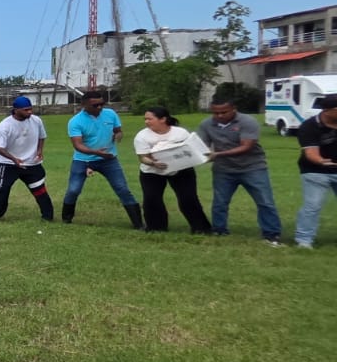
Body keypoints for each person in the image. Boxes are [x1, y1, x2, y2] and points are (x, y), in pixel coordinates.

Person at [196, 96, 283, 247]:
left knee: (265, 201)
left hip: (253, 167)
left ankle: (271, 234)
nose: (220, 116)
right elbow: (201, 145)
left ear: (234, 110)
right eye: (216, 113)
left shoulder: (247, 122)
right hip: (223, 170)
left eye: (224, 112)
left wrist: (217, 155)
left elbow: (246, 146)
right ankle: (219, 230)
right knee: (220, 202)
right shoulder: (206, 124)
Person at [62, 92, 142, 229]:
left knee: (122, 189)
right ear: (84, 105)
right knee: (73, 190)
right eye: (95, 105)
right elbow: (78, 145)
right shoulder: (75, 121)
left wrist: (118, 135)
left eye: (102, 104)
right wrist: (96, 152)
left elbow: (118, 130)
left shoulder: (110, 114)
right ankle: (66, 219)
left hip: (109, 160)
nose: (99, 107)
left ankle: (139, 224)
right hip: (83, 160)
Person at [131, 106, 212, 235]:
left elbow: (191, 149)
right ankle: (156, 228)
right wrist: (153, 163)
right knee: (152, 199)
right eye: (145, 119)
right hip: (152, 171)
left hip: (181, 169)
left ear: (163, 119)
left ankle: (201, 228)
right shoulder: (142, 136)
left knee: (188, 198)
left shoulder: (180, 133)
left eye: (150, 119)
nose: (146, 122)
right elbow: (142, 157)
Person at [0, 96, 53, 223]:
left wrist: (39, 151)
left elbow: (42, 136)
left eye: (31, 109)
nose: (30, 112)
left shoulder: (36, 121)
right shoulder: (5, 125)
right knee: (2, 189)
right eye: (26, 110)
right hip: (9, 164)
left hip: (32, 163)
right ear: (16, 110)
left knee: (39, 189)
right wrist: (14, 159)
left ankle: (47, 216)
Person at [293, 95, 337, 249]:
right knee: (313, 205)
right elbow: (311, 154)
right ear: (327, 111)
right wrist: (324, 161)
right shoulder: (309, 126)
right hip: (315, 171)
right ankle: (304, 240)